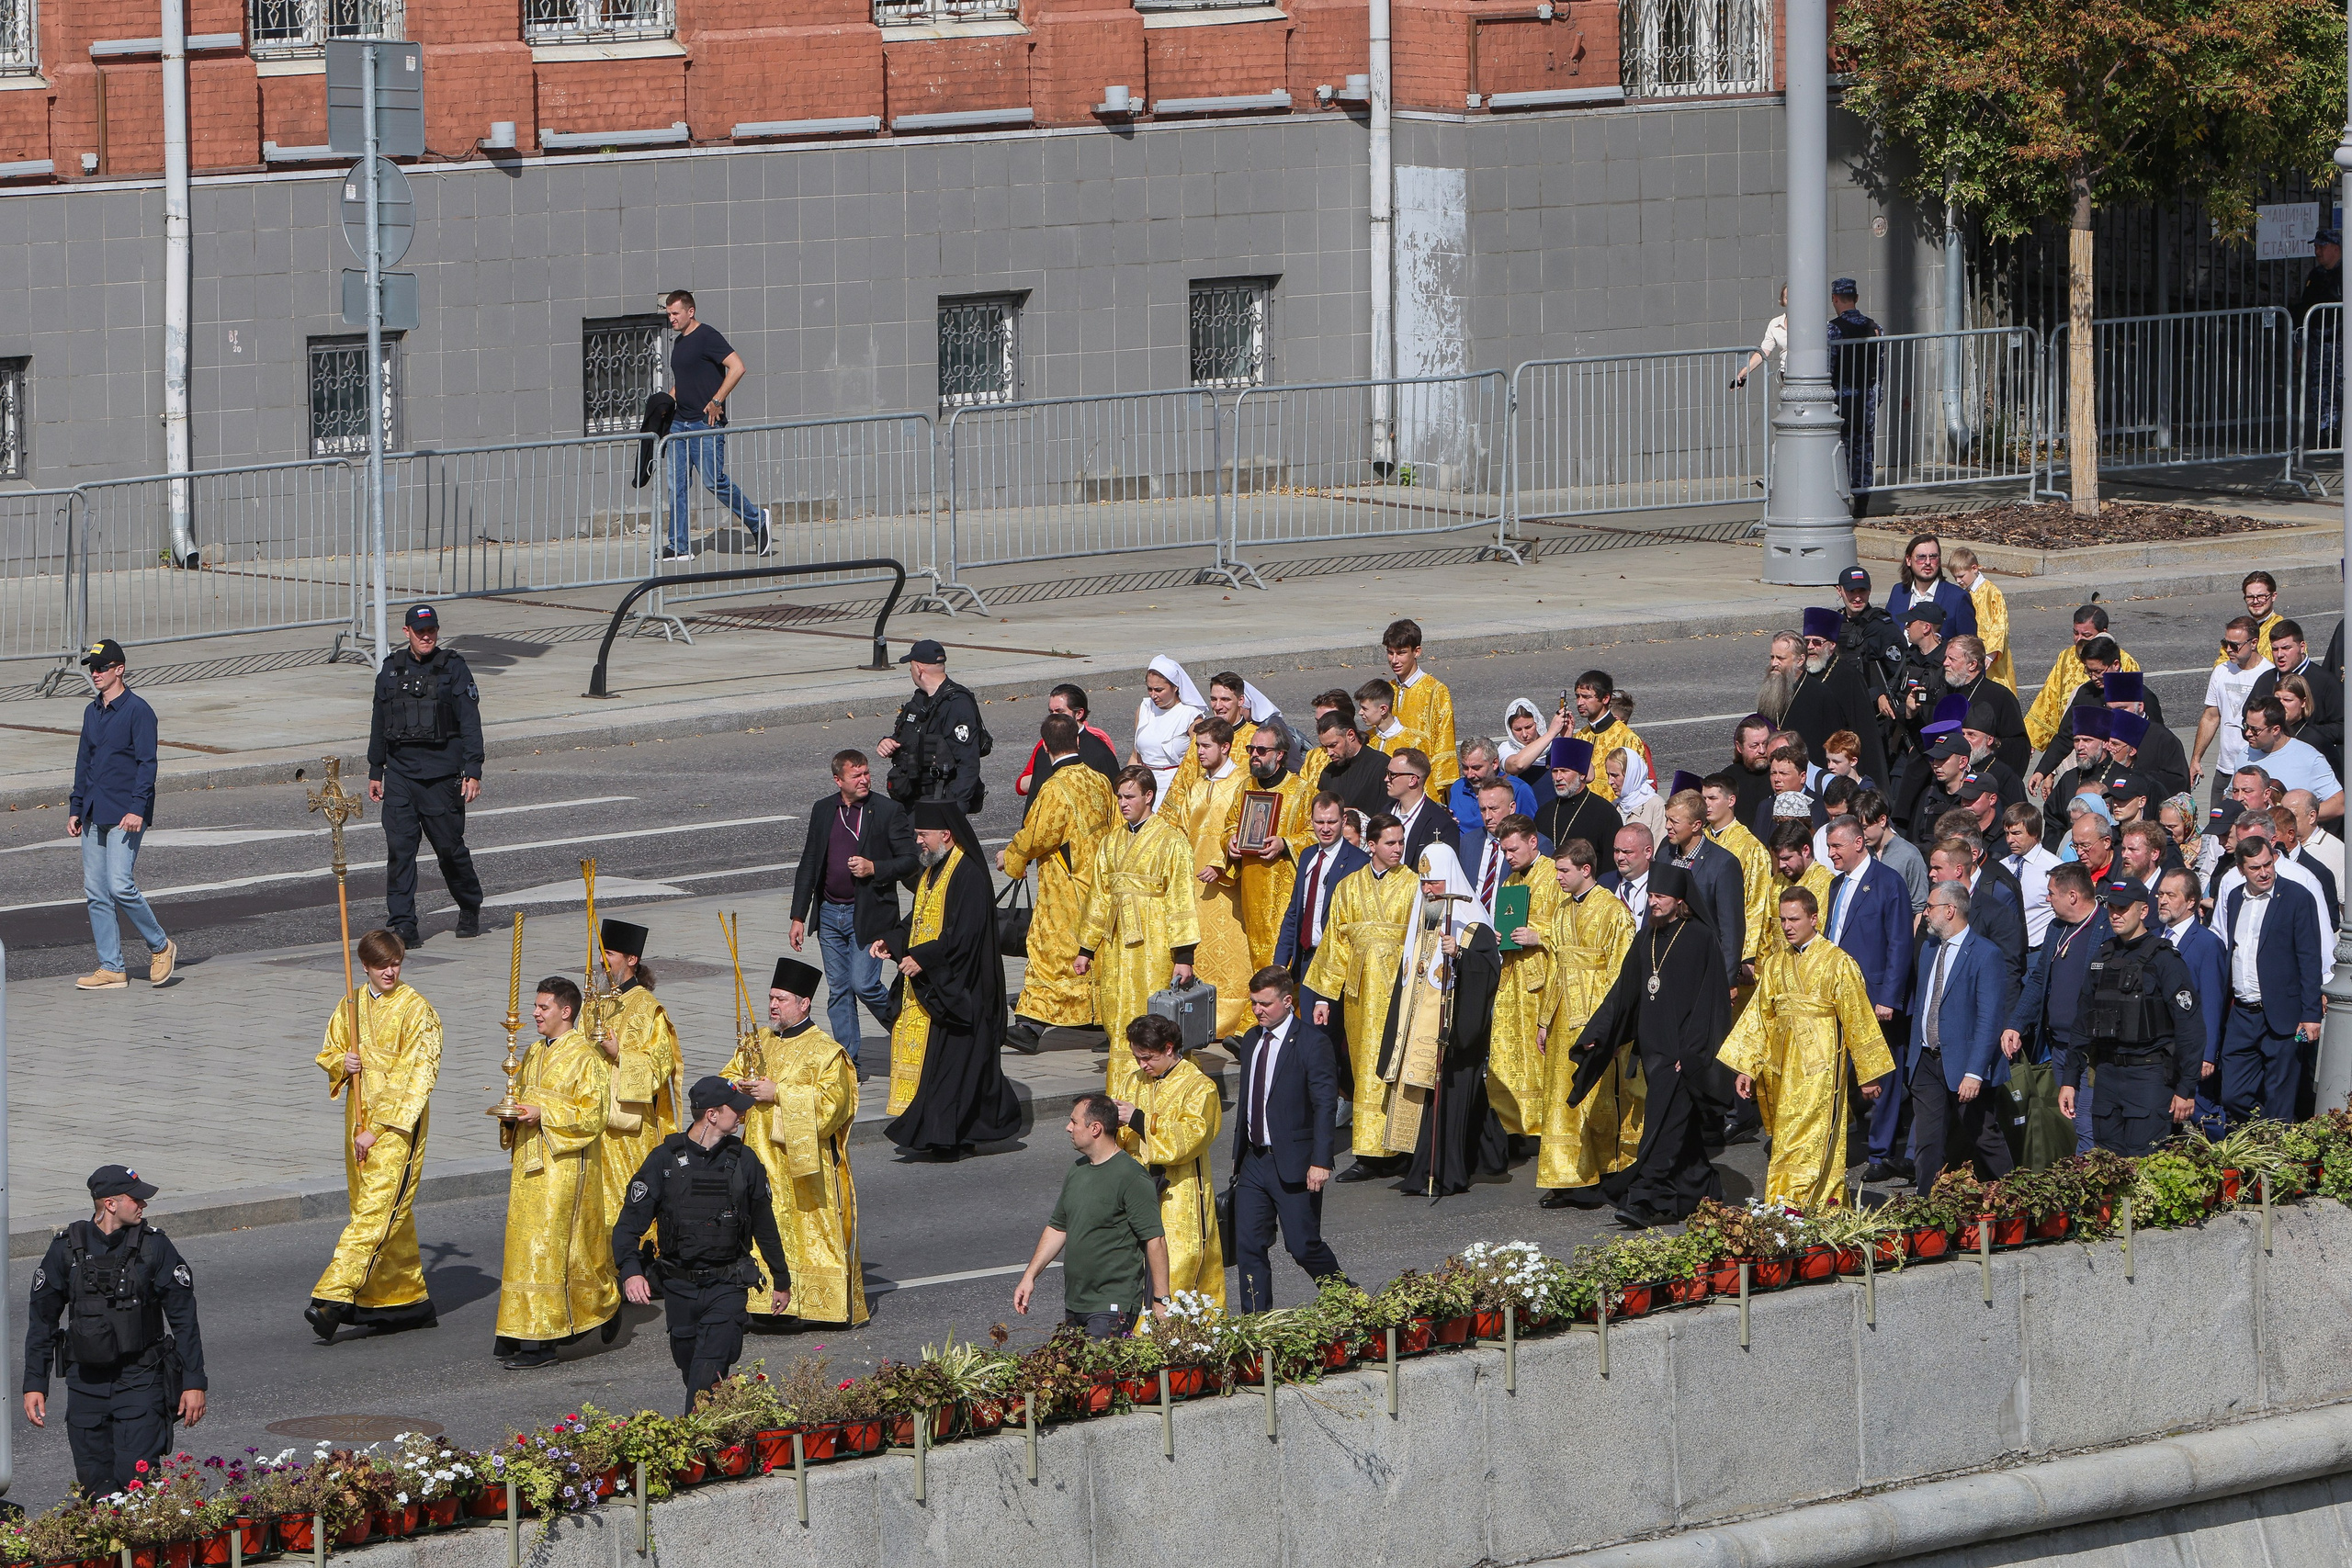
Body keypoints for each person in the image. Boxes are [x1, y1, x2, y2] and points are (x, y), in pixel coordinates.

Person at [611, 1077, 793, 1411]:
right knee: (692, 1366)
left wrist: (781, 1280)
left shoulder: (745, 1161)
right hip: (680, 1286)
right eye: (734, 1110)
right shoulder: (663, 1161)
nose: (741, 1116)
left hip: (727, 1283)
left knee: (707, 1371)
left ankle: (690, 1446)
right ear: (711, 1114)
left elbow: (765, 1226)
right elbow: (628, 1225)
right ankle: (721, 1428)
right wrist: (630, 1271)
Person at [23, 1166, 208, 1493]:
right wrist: (35, 1383)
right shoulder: (65, 1250)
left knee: (135, 1481)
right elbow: (42, 1321)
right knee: (96, 1482)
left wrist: (194, 1382)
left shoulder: (155, 1247)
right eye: (136, 1199)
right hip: (86, 1384)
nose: (143, 1205)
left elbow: (184, 1321)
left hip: (141, 1378)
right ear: (110, 1203)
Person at [1567, 862, 1733, 1227]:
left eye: (1660, 896)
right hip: (1653, 1053)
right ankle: (1702, 1189)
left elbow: (1710, 1003)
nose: (1653, 902)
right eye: (1651, 895)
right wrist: (1600, 1032)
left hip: (1682, 1056)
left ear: (1680, 900)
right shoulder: (1646, 938)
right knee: (1678, 1132)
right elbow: (1624, 994)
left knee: (1662, 1127)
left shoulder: (1701, 938)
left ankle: (1643, 1198)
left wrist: (1691, 1054)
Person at [305, 928, 440, 1343]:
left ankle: (333, 1293)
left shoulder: (418, 1010)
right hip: (356, 1117)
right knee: (373, 1205)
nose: (390, 971)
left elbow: (416, 1077)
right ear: (365, 966)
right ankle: (402, 1300)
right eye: (382, 965)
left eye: (396, 963)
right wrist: (341, 1063)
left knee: (377, 1209)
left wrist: (377, 1129)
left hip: (396, 1124)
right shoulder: (351, 1004)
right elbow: (329, 1049)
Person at [1721, 886, 1892, 1207]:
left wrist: (1868, 1073)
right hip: (1782, 1066)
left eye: (1794, 919)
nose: (1787, 926)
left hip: (1822, 1065)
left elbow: (1858, 1017)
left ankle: (1814, 1203)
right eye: (1782, 919)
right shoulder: (1773, 964)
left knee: (1815, 1135)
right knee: (1785, 1138)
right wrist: (1746, 1067)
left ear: (1814, 918)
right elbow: (1759, 1016)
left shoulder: (1838, 962)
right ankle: (1784, 1204)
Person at [872, 802, 1023, 1157]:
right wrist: (893, 941)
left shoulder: (967, 874)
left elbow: (964, 936)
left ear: (946, 835)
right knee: (950, 1071)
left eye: (923, 835)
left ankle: (947, 1138)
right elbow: (920, 917)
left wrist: (922, 960)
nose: (918, 841)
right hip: (941, 985)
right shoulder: (932, 871)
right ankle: (945, 1135)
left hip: (964, 990)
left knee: (955, 1070)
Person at [722, 957, 866, 1327]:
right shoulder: (758, 1040)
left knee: (807, 1231)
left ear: (803, 1003)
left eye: (781, 999)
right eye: (770, 997)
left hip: (804, 1166)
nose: (772, 1005)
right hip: (757, 1153)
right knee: (761, 1224)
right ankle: (763, 1303)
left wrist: (780, 1092)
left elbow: (834, 1108)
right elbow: (729, 1075)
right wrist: (737, 1087)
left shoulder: (826, 1051)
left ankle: (817, 1305)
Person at [494, 977, 617, 1370]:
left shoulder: (587, 1056)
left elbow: (594, 1115)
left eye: (543, 1007)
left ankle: (542, 1339)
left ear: (565, 1012)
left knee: (548, 1249)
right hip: (528, 1161)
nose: (535, 1013)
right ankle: (518, 1328)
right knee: (521, 1244)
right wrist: (513, 1115)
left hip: (565, 1165)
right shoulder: (531, 1051)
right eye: (534, 1006)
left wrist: (544, 1112)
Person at [1077, 766, 1202, 1105]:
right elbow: (1098, 896)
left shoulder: (1171, 840)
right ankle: (1119, 1096)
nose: (1122, 803)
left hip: (1156, 945)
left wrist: (1184, 957)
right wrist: (1086, 949)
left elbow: (1180, 898)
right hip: (1117, 947)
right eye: (1119, 796)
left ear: (1149, 796)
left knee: (1155, 1018)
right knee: (1118, 1018)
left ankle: (1162, 1098)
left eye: (1129, 796)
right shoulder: (1111, 841)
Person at [1306, 814, 1420, 1180]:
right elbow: (1335, 943)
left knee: (1397, 1067)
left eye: (1401, 842)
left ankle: (1402, 1147)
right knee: (1364, 1066)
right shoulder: (1349, 886)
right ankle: (1370, 1153)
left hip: (1400, 993)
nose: (1398, 849)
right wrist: (1324, 997)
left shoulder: (1415, 884)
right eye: (1391, 843)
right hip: (1359, 996)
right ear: (1371, 845)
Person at [789, 749, 916, 1073]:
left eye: (866, 773)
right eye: (856, 775)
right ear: (838, 779)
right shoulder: (823, 810)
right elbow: (809, 864)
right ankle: (849, 1063)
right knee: (839, 990)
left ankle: (908, 1031)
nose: (864, 780)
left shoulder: (887, 810)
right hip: (830, 914)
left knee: (863, 984)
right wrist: (798, 916)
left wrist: (875, 867)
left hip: (869, 914)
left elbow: (909, 860)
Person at [366, 604, 486, 946]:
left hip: (441, 776)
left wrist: (473, 770)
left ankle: (469, 904)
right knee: (400, 851)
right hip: (401, 776)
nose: (426, 636)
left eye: (431, 630)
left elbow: (469, 722)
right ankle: (404, 924)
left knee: (449, 850)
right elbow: (378, 723)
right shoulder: (390, 671)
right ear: (407, 634)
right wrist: (376, 769)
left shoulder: (454, 669)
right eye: (419, 632)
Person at [2058, 878, 2201, 1156]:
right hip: (2108, 1075)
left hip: (2149, 1076)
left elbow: (2190, 1028)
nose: (2116, 914)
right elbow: (2082, 1023)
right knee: (2107, 1164)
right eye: (2112, 907)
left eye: (2123, 908)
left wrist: (2186, 1088)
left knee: (2146, 1164)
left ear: (2143, 911)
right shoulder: (2103, 956)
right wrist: (2069, 1080)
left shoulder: (2164, 959)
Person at [1001, 715, 1119, 1053]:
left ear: (1045, 747)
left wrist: (1012, 859)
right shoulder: (1098, 781)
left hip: (1065, 887)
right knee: (1095, 951)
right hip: (1099, 881)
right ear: (1077, 741)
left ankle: (1031, 1024)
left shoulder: (1054, 788)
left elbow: (1037, 835)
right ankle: (1103, 1018)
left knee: (1049, 951)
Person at [1229, 968, 1343, 1312]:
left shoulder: (1312, 1042)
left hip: (1295, 1162)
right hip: (1253, 1161)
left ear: (1287, 1001)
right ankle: (1256, 1323)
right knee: (1248, 1246)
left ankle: (1349, 1300)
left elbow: (1325, 1105)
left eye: (1265, 1004)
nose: (1257, 1010)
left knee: (1302, 1245)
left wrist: (1321, 1161)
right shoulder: (1251, 1039)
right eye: (1253, 1003)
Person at [68, 638, 176, 991]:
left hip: (126, 814)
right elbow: (84, 763)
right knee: (96, 892)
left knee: (120, 885)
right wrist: (75, 807)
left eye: (101, 668)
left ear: (120, 669)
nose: (95, 674)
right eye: (91, 668)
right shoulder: (91, 711)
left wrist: (138, 809)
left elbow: (147, 764)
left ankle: (161, 946)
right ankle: (112, 967)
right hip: (93, 812)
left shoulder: (138, 711)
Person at [1012, 1095, 1170, 1337]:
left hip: (1111, 1305)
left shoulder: (1131, 1176)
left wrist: (1160, 1300)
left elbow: (1155, 1239)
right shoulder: (1077, 1170)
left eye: (1074, 1122)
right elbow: (1058, 1227)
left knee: (1099, 1374)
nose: (1068, 1128)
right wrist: (1029, 1276)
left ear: (1095, 1128)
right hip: (1076, 1302)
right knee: (1073, 1374)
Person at [1536, 838, 1638, 1208]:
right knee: (1561, 1101)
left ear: (1585, 870)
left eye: (1563, 871)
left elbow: (1621, 976)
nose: (1558, 878)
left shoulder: (1614, 912)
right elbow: (1556, 967)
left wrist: (1606, 1028)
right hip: (1562, 1017)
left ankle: (1601, 1176)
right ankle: (1567, 1177)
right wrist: (1544, 1020)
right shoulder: (1562, 910)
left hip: (1595, 1019)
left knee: (1597, 1098)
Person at [1905, 882, 2014, 1195]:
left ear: (1949, 910)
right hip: (1927, 1060)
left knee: (1983, 1135)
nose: (1926, 914)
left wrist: (1974, 1072)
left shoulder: (1985, 954)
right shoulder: (1929, 948)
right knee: (1927, 1143)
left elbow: (1989, 1018)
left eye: (1930, 907)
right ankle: (1924, 1209)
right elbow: (1924, 1002)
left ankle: (2016, 1196)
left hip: (1966, 1065)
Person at [1114, 1014, 1226, 1306]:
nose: (1142, 1066)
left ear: (1168, 1048)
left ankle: (1183, 1342)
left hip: (1181, 1191)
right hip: (1137, 1187)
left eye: (1148, 1058)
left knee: (1176, 1270)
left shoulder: (1199, 1087)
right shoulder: (1134, 1080)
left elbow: (1193, 1136)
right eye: (1138, 1058)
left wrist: (1138, 1119)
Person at [1155, 715, 1254, 1038]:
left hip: (1228, 887)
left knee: (1231, 953)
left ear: (1225, 747)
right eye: (1197, 745)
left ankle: (1234, 1018)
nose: (1199, 752)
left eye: (1206, 746)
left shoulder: (1243, 782)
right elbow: (1182, 828)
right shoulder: (1197, 784)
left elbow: (1245, 831)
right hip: (1193, 883)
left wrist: (1223, 864)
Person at [2217, 837, 2327, 1123]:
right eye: (2255, 868)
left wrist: (2311, 1016)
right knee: (2232, 1094)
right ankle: (2259, 1133)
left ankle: (2277, 1156)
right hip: (2242, 1015)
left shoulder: (2297, 897)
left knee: (2282, 1097)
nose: (2264, 872)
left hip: (2287, 1019)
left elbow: (2310, 959)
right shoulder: (2233, 897)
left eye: (2268, 864)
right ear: (2241, 870)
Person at [661, 288, 767, 561]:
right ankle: (679, 546)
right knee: (677, 486)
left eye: (675, 313)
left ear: (690, 311)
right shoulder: (679, 343)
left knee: (712, 481)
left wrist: (717, 399)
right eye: (668, 313)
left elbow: (737, 367)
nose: (670, 318)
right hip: (678, 426)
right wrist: (664, 404)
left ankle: (756, 520)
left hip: (705, 425)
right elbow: (684, 382)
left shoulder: (708, 336)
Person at [593, 919, 682, 1235]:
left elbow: (660, 1068)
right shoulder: (594, 1004)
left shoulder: (649, 1009)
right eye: (601, 953)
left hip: (629, 1131)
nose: (602, 961)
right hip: (591, 1123)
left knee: (627, 1207)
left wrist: (620, 1054)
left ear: (631, 960)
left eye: (610, 953)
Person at [1225, 718, 1317, 973]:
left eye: (1261, 751)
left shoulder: (1302, 791)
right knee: (1257, 951)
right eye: (1251, 749)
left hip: (1286, 888)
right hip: (1253, 886)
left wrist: (1285, 843)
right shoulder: (1246, 787)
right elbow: (1231, 823)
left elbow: (1317, 835)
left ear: (1280, 755)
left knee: (1282, 952)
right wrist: (1231, 842)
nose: (1254, 755)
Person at [2154, 867, 2231, 1134]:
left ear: (2190, 902)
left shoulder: (2208, 944)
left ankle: (2228, 1168)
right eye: (2160, 894)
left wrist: (2208, 1055)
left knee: (2203, 1115)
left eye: (2170, 895)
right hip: (2161, 1051)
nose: (2162, 900)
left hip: (2192, 1049)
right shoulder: (2155, 937)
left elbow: (2212, 1002)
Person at [1781, 614, 1893, 792]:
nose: (1810, 647)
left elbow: (1864, 729)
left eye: (1817, 642)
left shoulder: (1848, 677)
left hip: (1833, 763)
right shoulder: (1799, 675)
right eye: (1806, 642)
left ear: (1832, 645)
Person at [878, 638, 987, 815]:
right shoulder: (920, 699)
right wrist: (888, 742)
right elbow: (907, 737)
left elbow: (968, 763)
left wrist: (954, 814)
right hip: (912, 799)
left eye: (911, 667)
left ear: (919, 669)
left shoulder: (957, 704)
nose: (911, 672)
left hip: (939, 803)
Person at [1274, 792, 1368, 987]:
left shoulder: (1359, 862)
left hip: (1340, 964)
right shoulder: (1307, 856)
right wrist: (1281, 963)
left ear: (1343, 821)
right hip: (1308, 959)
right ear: (1311, 821)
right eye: (1319, 822)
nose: (1325, 829)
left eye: (1331, 822)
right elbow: (1294, 912)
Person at [1662, 789, 1747, 989]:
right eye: (1667, 819)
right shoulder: (1665, 854)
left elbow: (1731, 929)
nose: (1667, 826)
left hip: (1703, 967)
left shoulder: (1723, 864)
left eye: (1674, 821)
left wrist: (1726, 982)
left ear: (1696, 825)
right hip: (1668, 966)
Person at [2026, 605, 2140, 753]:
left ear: (2103, 633)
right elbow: (2050, 698)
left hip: (2107, 745)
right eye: (2075, 633)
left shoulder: (2125, 661)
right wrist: (2032, 738)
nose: (2078, 640)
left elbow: (2133, 709)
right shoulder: (2066, 657)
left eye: (2086, 635)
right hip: (2071, 739)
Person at [1701, 774, 1773, 987]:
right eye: (1703, 798)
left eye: (1712, 798)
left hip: (1732, 942)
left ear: (1731, 801)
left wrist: (1747, 956)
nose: (1706, 804)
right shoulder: (1699, 839)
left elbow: (1757, 902)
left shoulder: (1751, 848)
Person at [2249, 619, 2346, 778]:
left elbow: (2343, 726)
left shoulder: (2326, 681)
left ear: (2302, 647)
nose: (2280, 655)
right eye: (2275, 649)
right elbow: (2247, 716)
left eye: (2286, 648)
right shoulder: (2265, 680)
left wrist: (2309, 734)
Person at [2197, 615, 2270, 805]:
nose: (2228, 649)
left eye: (2235, 645)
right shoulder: (2221, 672)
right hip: (2225, 769)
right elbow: (2211, 717)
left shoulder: (2269, 675)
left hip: (2257, 769)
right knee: (2216, 827)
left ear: (2254, 643)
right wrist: (2196, 759)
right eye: (2225, 643)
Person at [1384, 619, 1458, 802]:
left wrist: (1437, 791)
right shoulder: (1387, 690)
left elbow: (1444, 742)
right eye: (1390, 653)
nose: (1395, 660)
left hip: (1423, 786)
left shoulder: (1436, 691)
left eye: (1401, 653)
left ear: (1417, 651)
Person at [1012, 683, 1120, 808]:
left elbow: (1115, 802)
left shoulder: (1100, 754)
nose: (1053, 717)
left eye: (1059, 711)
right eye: (1051, 712)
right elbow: (1029, 795)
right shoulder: (1043, 747)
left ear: (1079, 713)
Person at [1827, 278, 1883, 514]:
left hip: (1841, 397)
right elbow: (1880, 366)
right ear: (1857, 298)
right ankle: (1862, 502)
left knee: (1837, 449)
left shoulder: (1833, 328)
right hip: (1867, 397)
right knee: (1864, 451)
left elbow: (1828, 366)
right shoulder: (1875, 327)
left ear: (1834, 299)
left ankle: (1837, 500)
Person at [2242, 697, 2344, 822]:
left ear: (2275, 730)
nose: (2248, 733)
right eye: (2246, 726)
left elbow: (2339, 804)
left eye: (2255, 730)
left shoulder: (2309, 758)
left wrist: (2292, 818)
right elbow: (2230, 794)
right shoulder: (2245, 754)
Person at [1943, 635, 2029, 774]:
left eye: (1952, 659)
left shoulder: (2000, 696)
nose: (1945, 663)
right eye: (1946, 657)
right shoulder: (1946, 692)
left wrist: (1987, 747)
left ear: (1972, 664)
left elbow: (2018, 747)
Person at [1533, 737, 1619, 870]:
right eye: (1555, 771)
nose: (1558, 777)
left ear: (1582, 774)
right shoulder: (1544, 813)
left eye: (1564, 771)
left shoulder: (1605, 813)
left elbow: (1610, 866)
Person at [1568, 671, 1647, 805]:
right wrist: (1567, 739)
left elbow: (1638, 787)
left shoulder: (1627, 738)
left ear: (1605, 698)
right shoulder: (1580, 736)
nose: (1580, 702)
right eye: (1578, 696)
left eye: (1586, 697)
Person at [1133, 657, 1207, 799]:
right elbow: (1135, 756)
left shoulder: (1191, 715)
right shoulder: (1144, 708)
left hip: (1174, 787)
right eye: (1150, 689)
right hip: (1143, 786)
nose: (1153, 695)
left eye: (1159, 690)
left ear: (1175, 687)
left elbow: (1199, 760)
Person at [1946, 548, 2014, 692]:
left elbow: (2000, 624)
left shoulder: (1991, 592)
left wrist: (1990, 654)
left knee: (1994, 690)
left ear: (1974, 568)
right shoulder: (1964, 593)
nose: (1958, 581)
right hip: (1972, 652)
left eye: (1961, 576)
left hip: (1990, 656)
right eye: (1955, 577)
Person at [1884, 532, 1975, 637]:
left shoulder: (1957, 598)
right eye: (1921, 557)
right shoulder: (1899, 592)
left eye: (1933, 557)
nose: (1927, 562)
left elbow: (1969, 645)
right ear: (1909, 560)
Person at [1447, 736, 1538, 838]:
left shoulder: (1518, 789)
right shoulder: (1457, 788)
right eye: (1465, 768)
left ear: (1494, 763)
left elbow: (1530, 831)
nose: (1469, 774)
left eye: (1476, 768)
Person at [1385, 746, 1461, 868]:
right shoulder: (1384, 813)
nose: (1386, 779)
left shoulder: (1441, 824)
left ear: (1412, 780)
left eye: (1392, 774)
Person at [1313, 707, 1391, 819]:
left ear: (1350, 735)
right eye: (1325, 747)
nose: (1329, 753)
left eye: (1333, 745)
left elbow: (1388, 815)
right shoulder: (1329, 773)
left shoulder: (1381, 766)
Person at [2001, 803, 2061, 945]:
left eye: (2016, 833)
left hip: (2037, 950)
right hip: (2006, 949)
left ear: (2034, 833)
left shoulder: (2054, 868)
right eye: (2007, 833)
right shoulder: (2002, 866)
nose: (2010, 840)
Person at [1732, 282, 1789, 389]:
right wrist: (1745, 372)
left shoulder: (1812, 322)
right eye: (1787, 298)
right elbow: (1763, 352)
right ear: (1783, 301)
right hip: (1786, 374)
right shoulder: (1775, 324)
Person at [1607, 748, 1668, 844]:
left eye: (1615, 775)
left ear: (1631, 775)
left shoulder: (1656, 805)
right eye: (1608, 775)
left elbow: (1659, 847)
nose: (1609, 781)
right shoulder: (1614, 806)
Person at [1601, 821, 1656, 930]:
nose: (1620, 857)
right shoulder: (1604, 883)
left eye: (1627, 852)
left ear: (1648, 852)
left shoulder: (1662, 885)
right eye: (1616, 851)